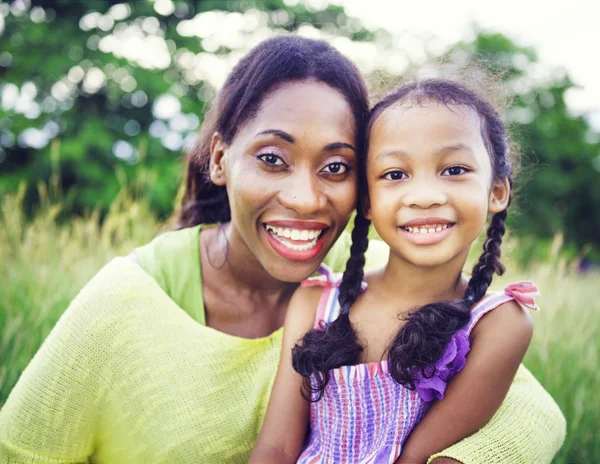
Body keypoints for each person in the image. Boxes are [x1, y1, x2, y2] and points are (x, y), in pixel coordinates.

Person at [0, 37, 564, 464]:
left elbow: (532, 412)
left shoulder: (349, 293)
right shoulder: (134, 298)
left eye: (336, 167)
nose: (303, 196)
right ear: (220, 159)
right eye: (272, 158)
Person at [250, 77, 558, 464]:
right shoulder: (316, 301)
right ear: (366, 200)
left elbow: (413, 459)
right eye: (395, 175)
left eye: (455, 169)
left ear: (496, 191)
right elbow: (276, 447)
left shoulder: (498, 324)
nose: (425, 196)